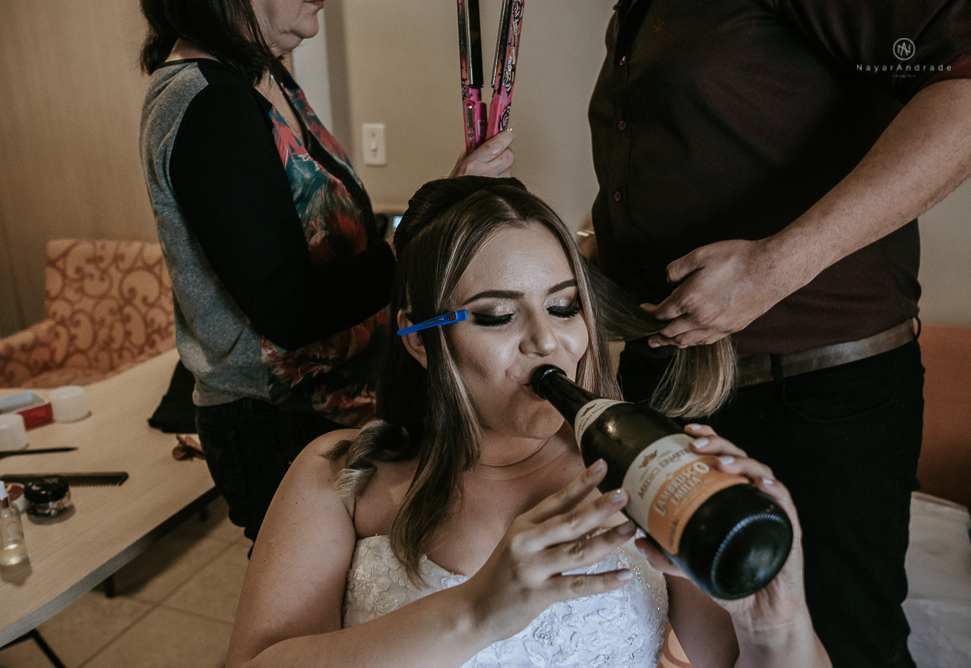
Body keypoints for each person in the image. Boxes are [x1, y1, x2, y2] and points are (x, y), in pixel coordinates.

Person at [224, 177, 830, 668]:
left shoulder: (645, 478)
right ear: (419, 341)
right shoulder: (341, 476)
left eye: (564, 306)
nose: (548, 340)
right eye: (495, 316)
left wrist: (778, 626)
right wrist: (475, 613)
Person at [587, 2, 971, 666]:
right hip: (676, 390)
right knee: (720, 649)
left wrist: (774, 267)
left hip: (814, 396)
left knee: (844, 644)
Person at [137, 0, 515, 542]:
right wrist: (424, 229)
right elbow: (289, 309)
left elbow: (334, 235)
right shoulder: (208, 103)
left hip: (340, 404)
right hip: (275, 424)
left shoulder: (263, 75)